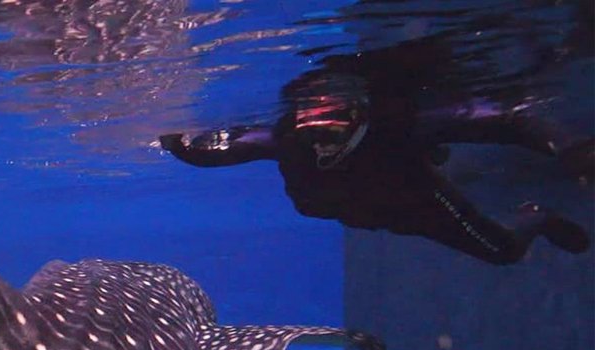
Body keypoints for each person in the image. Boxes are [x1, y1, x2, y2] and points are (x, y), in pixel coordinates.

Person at [159, 39, 591, 265]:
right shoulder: (287, 139)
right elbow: (220, 149)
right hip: (373, 205)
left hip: (414, 193)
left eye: (328, 127)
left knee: (502, 251)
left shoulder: (399, 120)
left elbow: (503, 116)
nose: (319, 143)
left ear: (358, 115)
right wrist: (179, 144)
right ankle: (431, 156)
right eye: (309, 129)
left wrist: (567, 145)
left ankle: (537, 215)